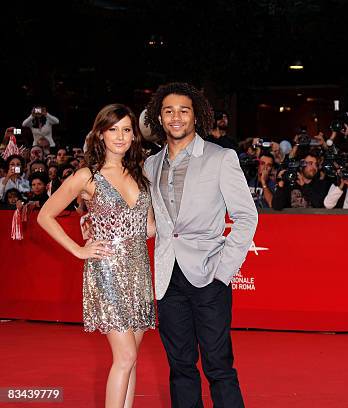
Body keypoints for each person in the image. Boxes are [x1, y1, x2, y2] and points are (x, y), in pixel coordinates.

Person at [144, 82, 257, 408]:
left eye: (183, 110)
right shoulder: (151, 165)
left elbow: (246, 217)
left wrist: (223, 272)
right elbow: (155, 225)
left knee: (218, 366)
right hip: (168, 279)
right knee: (180, 367)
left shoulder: (220, 157)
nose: (176, 117)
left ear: (196, 116)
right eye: (168, 111)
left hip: (209, 275)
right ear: (159, 118)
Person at [38, 104, 156, 408]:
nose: (120, 136)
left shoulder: (140, 173)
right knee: (125, 355)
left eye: (127, 129)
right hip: (106, 271)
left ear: (134, 135)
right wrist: (79, 249)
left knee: (132, 359)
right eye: (113, 129)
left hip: (140, 271)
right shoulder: (86, 177)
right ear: (100, 134)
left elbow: (150, 228)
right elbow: (45, 215)